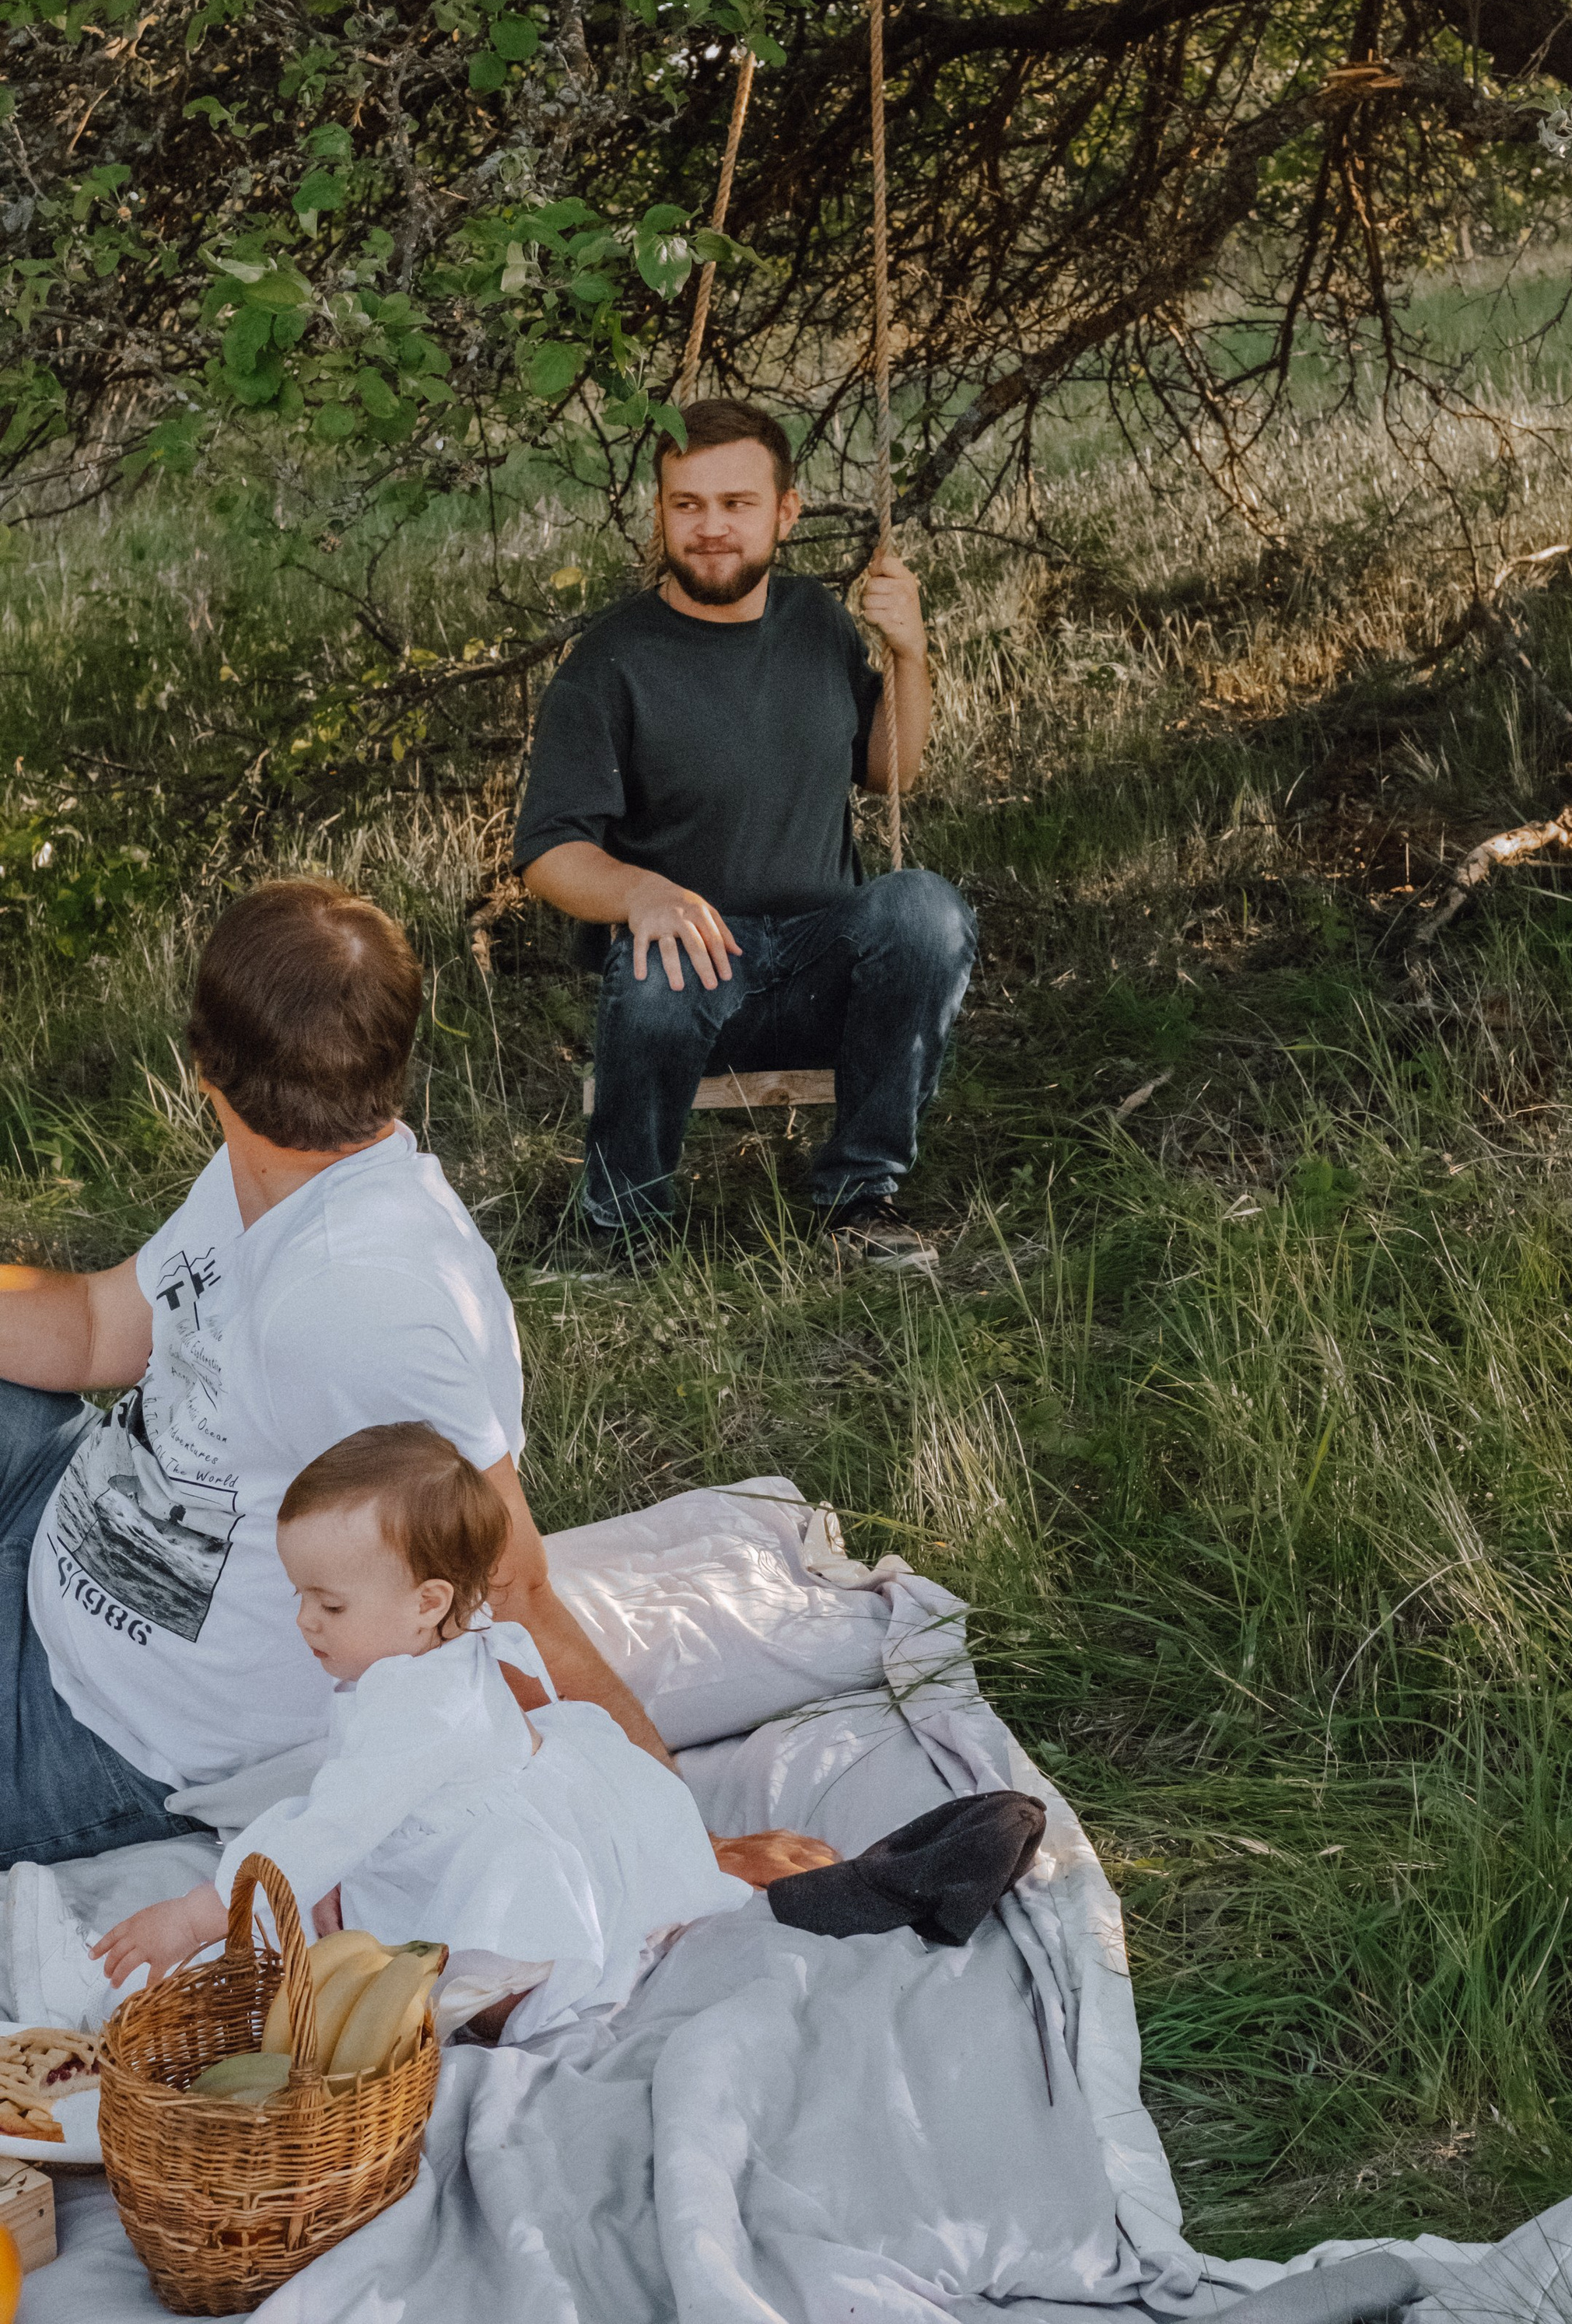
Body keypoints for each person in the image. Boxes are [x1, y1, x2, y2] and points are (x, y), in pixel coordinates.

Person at [0, 878, 827, 1881]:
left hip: (102, 1720)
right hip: (55, 1511)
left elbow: (506, 1590)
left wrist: (686, 1846)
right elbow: (94, 1329)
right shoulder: (259, 1175)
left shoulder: (365, 1305)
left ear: (203, 1065)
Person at [91, 1424, 756, 2035]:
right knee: (359, 1905)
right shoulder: (432, 1646)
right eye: (300, 1595)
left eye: (330, 1604)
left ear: (428, 1602)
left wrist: (205, 1911)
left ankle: (528, 1979)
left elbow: (336, 1824)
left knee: (477, 1984)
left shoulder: (422, 1708)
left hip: (499, 1859)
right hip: (451, 1818)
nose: (305, 1621)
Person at [514, 399, 977, 1267]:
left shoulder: (817, 624)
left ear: (785, 511)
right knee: (662, 962)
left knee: (925, 909)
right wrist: (641, 892)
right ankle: (623, 1228)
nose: (712, 529)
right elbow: (550, 851)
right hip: (686, 986)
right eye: (688, 505)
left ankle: (860, 1202)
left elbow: (890, 773)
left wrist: (909, 656)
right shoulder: (611, 660)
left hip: (819, 973)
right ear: (660, 513)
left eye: (737, 504)